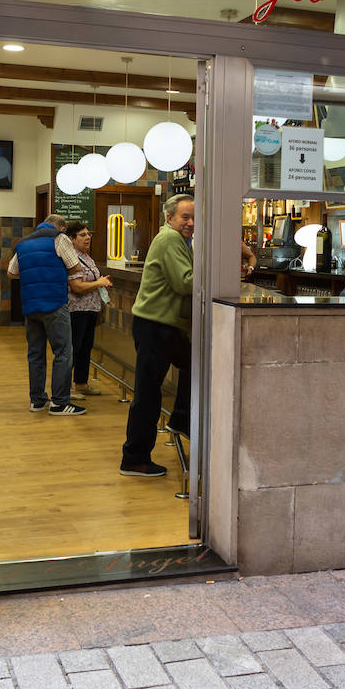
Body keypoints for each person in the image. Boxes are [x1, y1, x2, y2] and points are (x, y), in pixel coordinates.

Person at [121, 194, 194, 477]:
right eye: (184, 217)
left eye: (192, 217)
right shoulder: (170, 239)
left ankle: (181, 419)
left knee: (193, 366)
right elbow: (185, 282)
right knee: (148, 393)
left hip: (164, 325)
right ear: (170, 217)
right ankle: (134, 458)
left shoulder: (177, 239)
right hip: (155, 325)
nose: (189, 222)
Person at [7, 214, 86, 415]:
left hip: (31, 306)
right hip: (54, 303)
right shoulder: (59, 239)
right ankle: (59, 402)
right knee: (63, 352)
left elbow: (11, 272)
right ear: (59, 227)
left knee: (35, 353)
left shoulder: (23, 243)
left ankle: (37, 400)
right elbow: (75, 265)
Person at [64, 221, 113, 399]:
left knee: (85, 347)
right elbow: (77, 287)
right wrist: (98, 283)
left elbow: (90, 281)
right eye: (82, 235)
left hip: (90, 309)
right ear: (71, 239)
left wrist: (101, 282)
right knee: (74, 348)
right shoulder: (72, 258)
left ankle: (82, 383)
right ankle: (66, 388)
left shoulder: (87, 257)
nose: (87, 238)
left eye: (88, 234)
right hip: (76, 310)